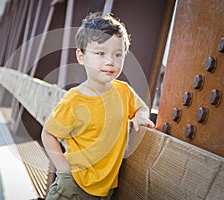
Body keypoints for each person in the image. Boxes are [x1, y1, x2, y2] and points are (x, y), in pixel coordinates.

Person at [41, 12, 155, 199]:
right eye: (100, 53)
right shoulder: (74, 99)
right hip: (73, 187)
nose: (110, 61)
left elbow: (142, 108)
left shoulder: (123, 91)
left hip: (105, 191)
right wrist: (64, 171)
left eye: (118, 54)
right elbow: (48, 133)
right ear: (81, 56)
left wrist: (141, 115)